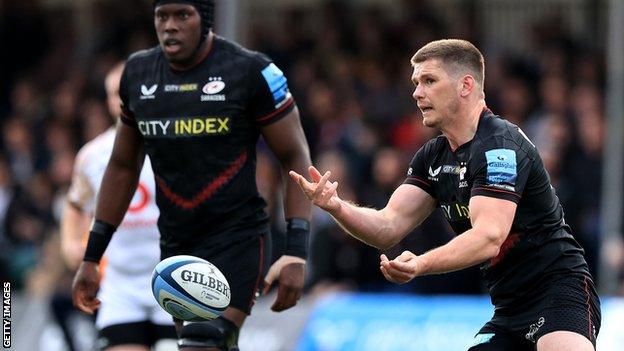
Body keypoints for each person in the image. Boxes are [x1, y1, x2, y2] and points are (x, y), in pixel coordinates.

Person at [290, 39, 600, 351]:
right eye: (415, 82)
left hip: (561, 291)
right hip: (509, 308)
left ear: (466, 85)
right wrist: (336, 207)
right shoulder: (433, 157)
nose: (417, 92)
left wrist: (420, 264)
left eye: (429, 81)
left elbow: (489, 236)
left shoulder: (500, 146)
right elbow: (388, 226)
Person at [71, 1, 312, 350]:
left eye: (182, 15)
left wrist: (296, 251)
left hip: (237, 239)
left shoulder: (251, 71)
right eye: (162, 16)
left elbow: (295, 155)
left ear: (206, 20)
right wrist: (92, 257)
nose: (170, 26)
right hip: (176, 245)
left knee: (204, 341)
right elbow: (123, 166)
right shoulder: (138, 75)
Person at [62, 62, 177, 351]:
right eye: (116, 93)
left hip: (174, 280)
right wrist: (71, 244)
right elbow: (75, 204)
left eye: (132, 90)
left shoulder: (178, 145)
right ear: (108, 101)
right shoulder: (93, 155)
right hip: (121, 286)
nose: (124, 98)